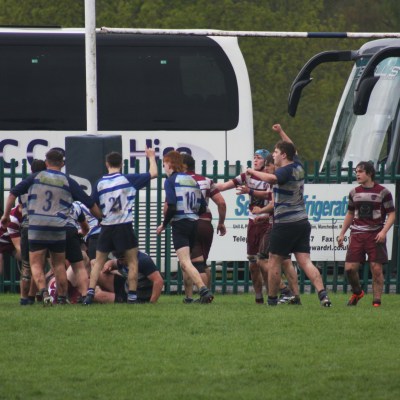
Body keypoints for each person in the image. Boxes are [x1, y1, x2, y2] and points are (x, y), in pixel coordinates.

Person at [1, 149, 102, 305]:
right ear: (62, 163)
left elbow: (13, 193)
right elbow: (89, 203)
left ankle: (43, 292)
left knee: (35, 263)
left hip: (37, 226)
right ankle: (62, 297)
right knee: (59, 264)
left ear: (46, 162)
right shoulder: (68, 181)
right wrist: (101, 218)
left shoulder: (35, 177)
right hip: (58, 227)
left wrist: (6, 215)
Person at [247, 124, 331, 307]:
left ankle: (272, 300)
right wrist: (280, 132)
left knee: (274, 261)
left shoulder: (283, 171)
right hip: (302, 221)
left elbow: (271, 179)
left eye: (276, 152)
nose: (273, 155)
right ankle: (323, 295)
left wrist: (252, 171)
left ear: (284, 155)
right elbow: (293, 148)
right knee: (305, 261)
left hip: (285, 223)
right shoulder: (298, 166)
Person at [83, 148, 158, 305]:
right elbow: (153, 173)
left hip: (107, 226)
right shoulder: (127, 179)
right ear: (121, 164)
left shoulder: (100, 183)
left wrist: (100, 217)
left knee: (98, 262)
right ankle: (132, 297)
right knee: (132, 261)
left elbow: (91, 204)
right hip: (124, 225)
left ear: (107, 164)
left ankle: (89, 294)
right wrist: (151, 157)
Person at [156, 150, 214, 304]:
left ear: (170, 164)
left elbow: (171, 205)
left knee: (185, 262)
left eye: (164, 164)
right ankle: (188, 298)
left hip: (180, 224)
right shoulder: (191, 180)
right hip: (194, 223)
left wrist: (164, 224)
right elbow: (203, 207)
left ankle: (203, 289)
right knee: (187, 263)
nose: (164, 168)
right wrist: (192, 213)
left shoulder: (170, 181)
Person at [337, 161, 395, 307]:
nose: (357, 174)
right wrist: (342, 233)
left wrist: (383, 231)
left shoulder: (383, 192)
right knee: (349, 268)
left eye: (360, 172)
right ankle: (357, 292)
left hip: (375, 235)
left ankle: (376, 302)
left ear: (369, 173)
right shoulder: (354, 192)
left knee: (376, 269)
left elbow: (392, 214)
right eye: (356, 172)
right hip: (357, 234)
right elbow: (350, 213)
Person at [252, 152, 300, 305]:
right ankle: (296, 297)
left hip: (278, 225)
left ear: (275, 165)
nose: (266, 169)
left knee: (262, 259)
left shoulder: (276, 180)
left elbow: (274, 204)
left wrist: (261, 211)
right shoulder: (289, 176)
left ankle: (285, 291)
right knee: (286, 261)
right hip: (289, 222)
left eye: (268, 165)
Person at [181, 153, 226, 303]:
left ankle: (204, 297)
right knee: (202, 262)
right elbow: (221, 203)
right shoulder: (207, 180)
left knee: (193, 263)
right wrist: (221, 222)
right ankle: (193, 296)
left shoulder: (179, 180)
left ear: (184, 166)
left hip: (190, 223)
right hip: (206, 225)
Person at [97, 251, 164, 304]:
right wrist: (108, 265)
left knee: (97, 295)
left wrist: (152, 303)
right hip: (126, 286)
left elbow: (158, 281)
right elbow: (113, 262)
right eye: (118, 259)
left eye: (121, 259)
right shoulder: (123, 259)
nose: (120, 262)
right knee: (98, 274)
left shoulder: (143, 260)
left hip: (138, 296)